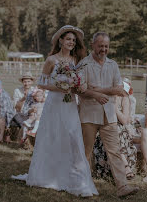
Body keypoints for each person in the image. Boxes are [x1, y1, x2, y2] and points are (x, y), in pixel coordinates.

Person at [25, 25, 98, 197]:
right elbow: (41, 84)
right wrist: (59, 87)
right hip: (54, 103)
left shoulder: (75, 61)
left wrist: (75, 86)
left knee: (73, 136)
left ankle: (75, 176)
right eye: (68, 39)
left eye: (73, 40)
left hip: (70, 103)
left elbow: (79, 81)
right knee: (53, 135)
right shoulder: (51, 60)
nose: (71, 42)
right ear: (60, 41)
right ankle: (49, 175)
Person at [78, 32, 139, 197]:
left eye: (106, 46)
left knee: (115, 151)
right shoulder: (83, 64)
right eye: (100, 46)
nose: (103, 49)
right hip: (89, 115)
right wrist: (96, 93)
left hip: (109, 115)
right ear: (93, 45)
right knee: (86, 151)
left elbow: (119, 90)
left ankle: (122, 187)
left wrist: (97, 90)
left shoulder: (113, 65)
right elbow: (80, 90)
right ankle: (83, 185)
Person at [92, 80, 137, 181]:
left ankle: (123, 166)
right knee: (111, 131)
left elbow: (124, 120)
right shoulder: (102, 97)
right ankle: (125, 166)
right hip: (104, 130)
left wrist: (114, 107)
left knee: (116, 131)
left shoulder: (124, 98)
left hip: (120, 131)